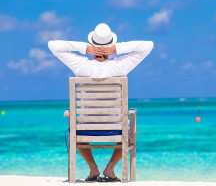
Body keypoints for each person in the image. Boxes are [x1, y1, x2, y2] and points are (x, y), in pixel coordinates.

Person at [48, 23, 154, 182]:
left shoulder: (81, 65)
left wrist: (85, 48)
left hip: (85, 129)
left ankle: (93, 169)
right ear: (111, 43)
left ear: (92, 43)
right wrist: (117, 48)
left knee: (72, 131)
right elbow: (148, 45)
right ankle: (110, 168)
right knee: (133, 129)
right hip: (116, 129)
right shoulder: (120, 65)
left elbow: (53, 45)